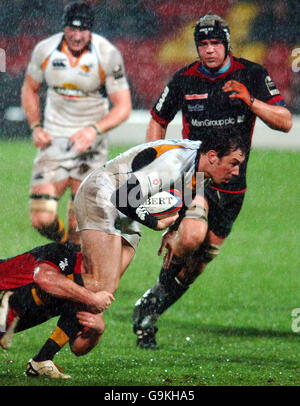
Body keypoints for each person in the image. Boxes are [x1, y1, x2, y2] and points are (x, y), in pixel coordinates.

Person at [132, 13, 293, 349]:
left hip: (234, 185)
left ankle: (152, 305)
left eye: (215, 43)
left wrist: (251, 101)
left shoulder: (251, 74)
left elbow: (285, 121)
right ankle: (173, 253)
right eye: (203, 44)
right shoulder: (185, 79)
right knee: (191, 237)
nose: (209, 50)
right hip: (197, 178)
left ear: (227, 44)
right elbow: (157, 119)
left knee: (195, 266)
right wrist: (155, 162)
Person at [72, 130, 247, 345]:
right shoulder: (173, 163)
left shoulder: (202, 169)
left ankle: (46, 352)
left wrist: (172, 230)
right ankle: (41, 285)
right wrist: (156, 224)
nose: (237, 171)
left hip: (126, 207)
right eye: (233, 163)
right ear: (212, 156)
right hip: (103, 194)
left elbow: (186, 191)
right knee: (97, 285)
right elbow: (123, 197)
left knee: (105, 288)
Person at [21, 1, 132, 247]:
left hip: (90, 148)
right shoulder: (45, 50)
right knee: (41, 218)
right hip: (54, 142)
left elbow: (123, 106)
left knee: (78, 225)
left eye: (82, 30)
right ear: (64, 28)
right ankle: (64, 247)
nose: (76, 35)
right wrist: (35, 126)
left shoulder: (107, 54)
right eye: (72, 29)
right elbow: (30, 88)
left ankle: (72, 269)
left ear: (90, 31)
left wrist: (94, 130)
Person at [0, 241, 114, 378]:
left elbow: (78, 348)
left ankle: (41, 361)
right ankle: (10, 304)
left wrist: (98, 331)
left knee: (75, 297)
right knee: (61, 287)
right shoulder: (61, 251)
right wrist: (92, 299)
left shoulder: (92, 292)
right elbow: (44, 278)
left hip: (10, 312)